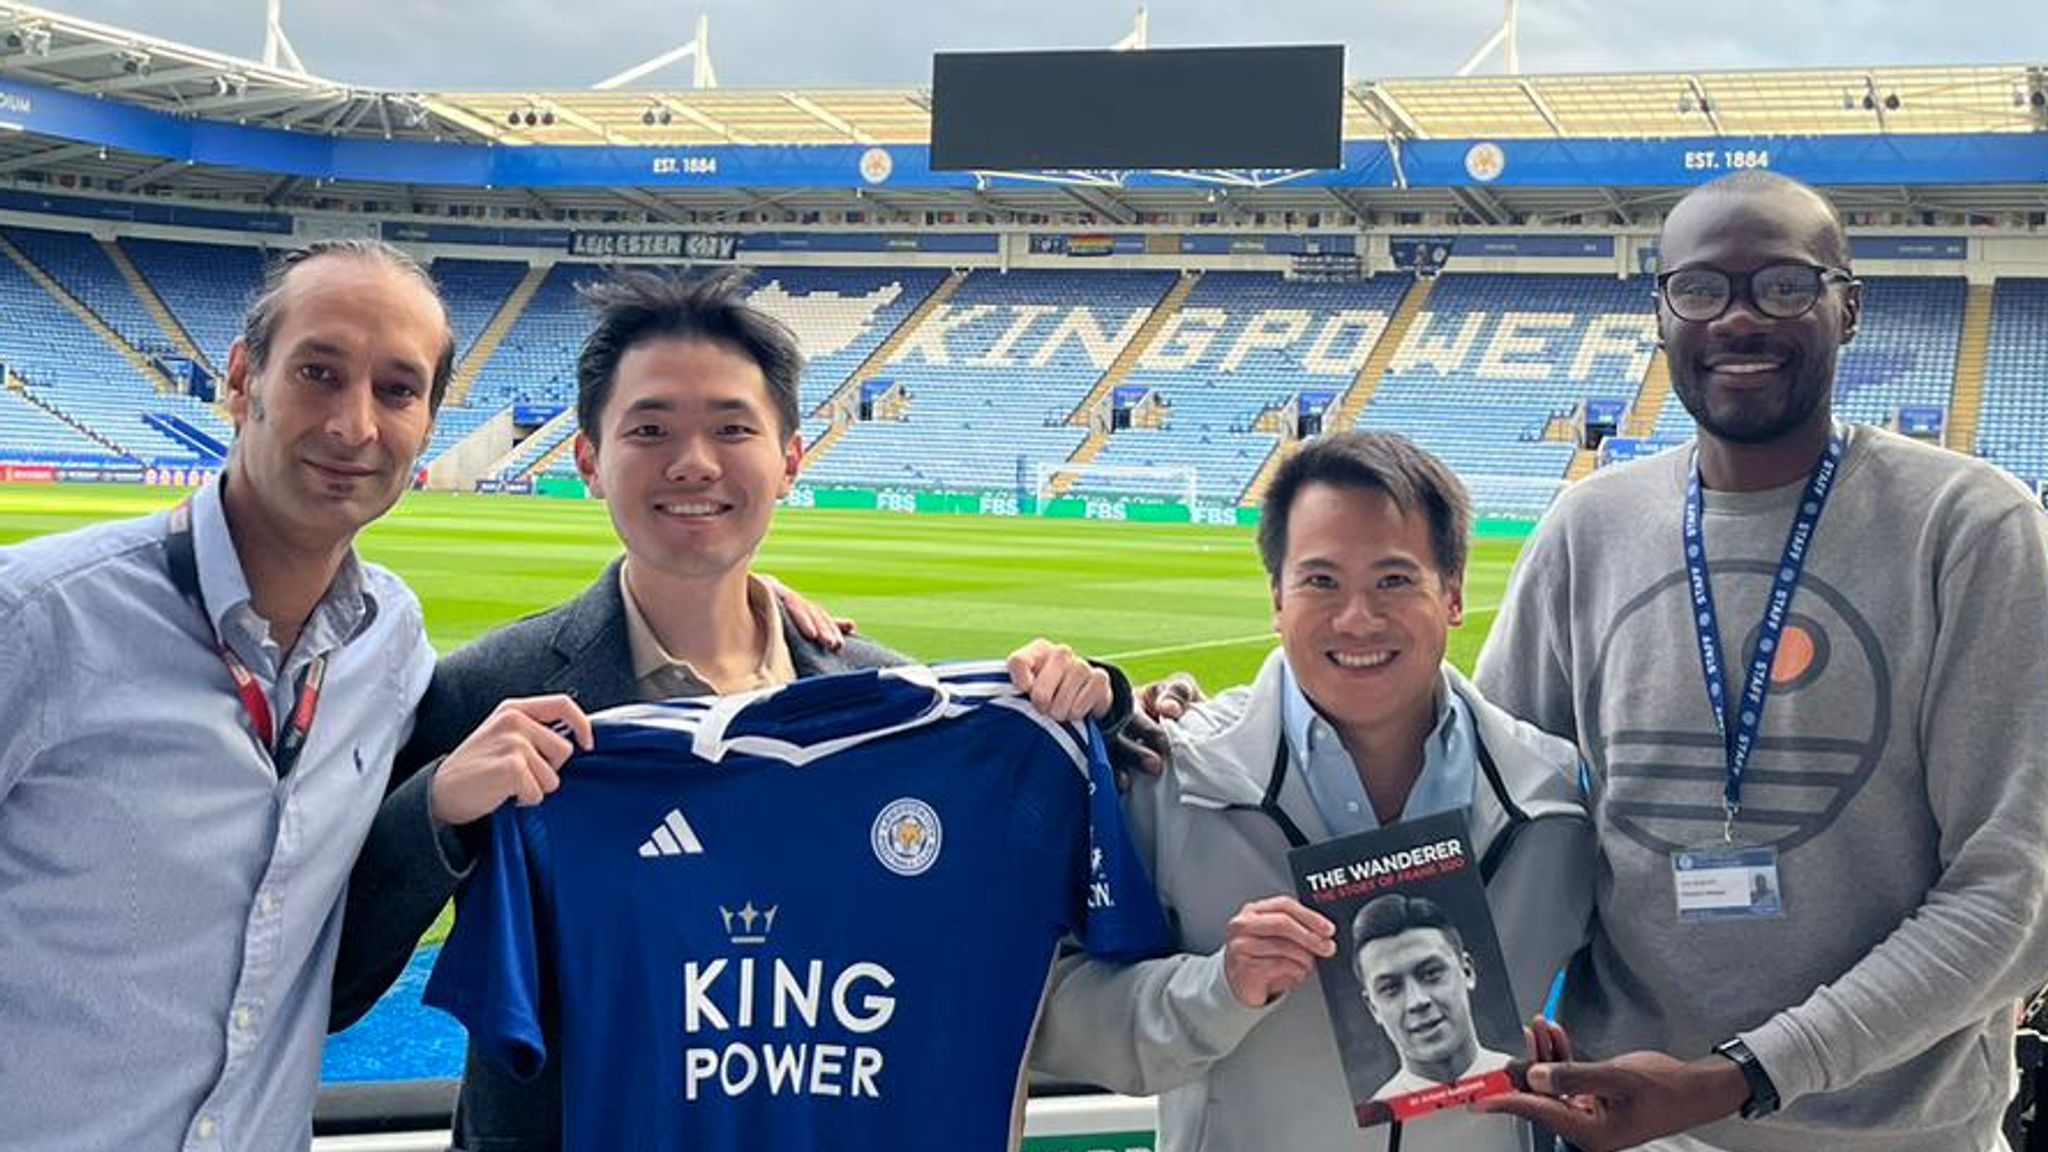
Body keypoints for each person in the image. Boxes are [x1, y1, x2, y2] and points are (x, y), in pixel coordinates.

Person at [331, 268, 1113, 1151]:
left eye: (732, 428)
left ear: (791, 459)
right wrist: (436, 809)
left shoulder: (897, 711)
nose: (694, 462)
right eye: (650, 429)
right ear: (588, 459)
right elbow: (332, 984)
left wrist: (1105, 706)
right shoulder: (486, 695)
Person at [1471, 170, 2048, 1152]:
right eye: (1699, 289)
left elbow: (2013, 890)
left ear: (1847, 307)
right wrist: (1167, 733)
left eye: (1782, 285)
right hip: (1630, 1133)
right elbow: (1474, 801)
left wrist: (1738, 1079)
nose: (1737, 318)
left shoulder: (1973, 529)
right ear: (1658, 315)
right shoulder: (1587, 528)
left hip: (1902, 1141)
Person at [0, 239, 454, 1151]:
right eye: (319, 372)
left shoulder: (392, 646)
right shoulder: (38, 620)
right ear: (244, 379)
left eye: (397, 390)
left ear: (430, 422)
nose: (354, 425)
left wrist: (738, 603)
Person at [1031, 431, 1593, 1152]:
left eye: (1394, 580)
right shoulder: (1172, 777)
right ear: (1275, 598)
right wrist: (1218, 990)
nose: (1357, 618)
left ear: (1453, 595)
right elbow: (1050, 1013)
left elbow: (1625, 992)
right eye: (1320, 581)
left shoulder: (1554, 803)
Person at [1352, 893, 1514, 1101]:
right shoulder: (1379, 1111)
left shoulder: (1526, 1079)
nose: (1417, 1001)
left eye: (1431, 974)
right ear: (1373, 1008)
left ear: (1467, 972)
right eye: (1391, 988)